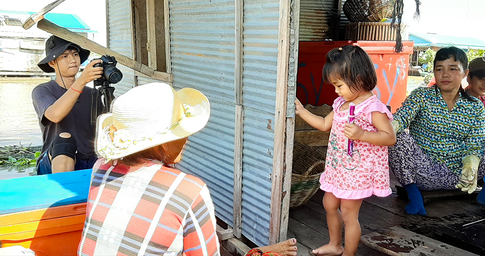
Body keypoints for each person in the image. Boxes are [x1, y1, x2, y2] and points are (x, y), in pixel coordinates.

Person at [78, 82, 298, 256]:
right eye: (181, 133)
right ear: (163, 143)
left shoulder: (101, 168)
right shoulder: (188, 190)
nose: (187, 139)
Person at [389, 47, 485, 216]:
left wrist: (471, 164)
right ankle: (414, 196)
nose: (445, 74)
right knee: (396, 137)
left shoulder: (475, 105)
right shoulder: (421, 95)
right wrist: (391, 126)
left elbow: (475, 142)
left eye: (453, 69)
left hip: (462, 177)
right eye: (439, 68)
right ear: (434, 71)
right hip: (424, 173)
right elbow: (402, 117)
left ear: (465, 73)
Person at [295, 45, 396, 256]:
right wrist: (302, 111)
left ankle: (348, 254)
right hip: (338, 167)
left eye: (339, 85)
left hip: (356, 172)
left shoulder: (373, 108)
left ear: (358, 79)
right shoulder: (341, 103)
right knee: (329, 203)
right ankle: (335, 244)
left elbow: (389, 137)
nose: (336, 90)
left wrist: (362, 135)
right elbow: (324, 123)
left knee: (349, 214)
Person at [32, 35, 104, 175]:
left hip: (89, 159)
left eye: (75, 54)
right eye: (64, 56)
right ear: (52, 63)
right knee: (64, 139)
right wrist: (82, 80)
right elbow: (55, 115)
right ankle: (63, 194)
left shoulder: (92, 94)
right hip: (55, 160)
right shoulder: (43, 90)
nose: (72, 60)